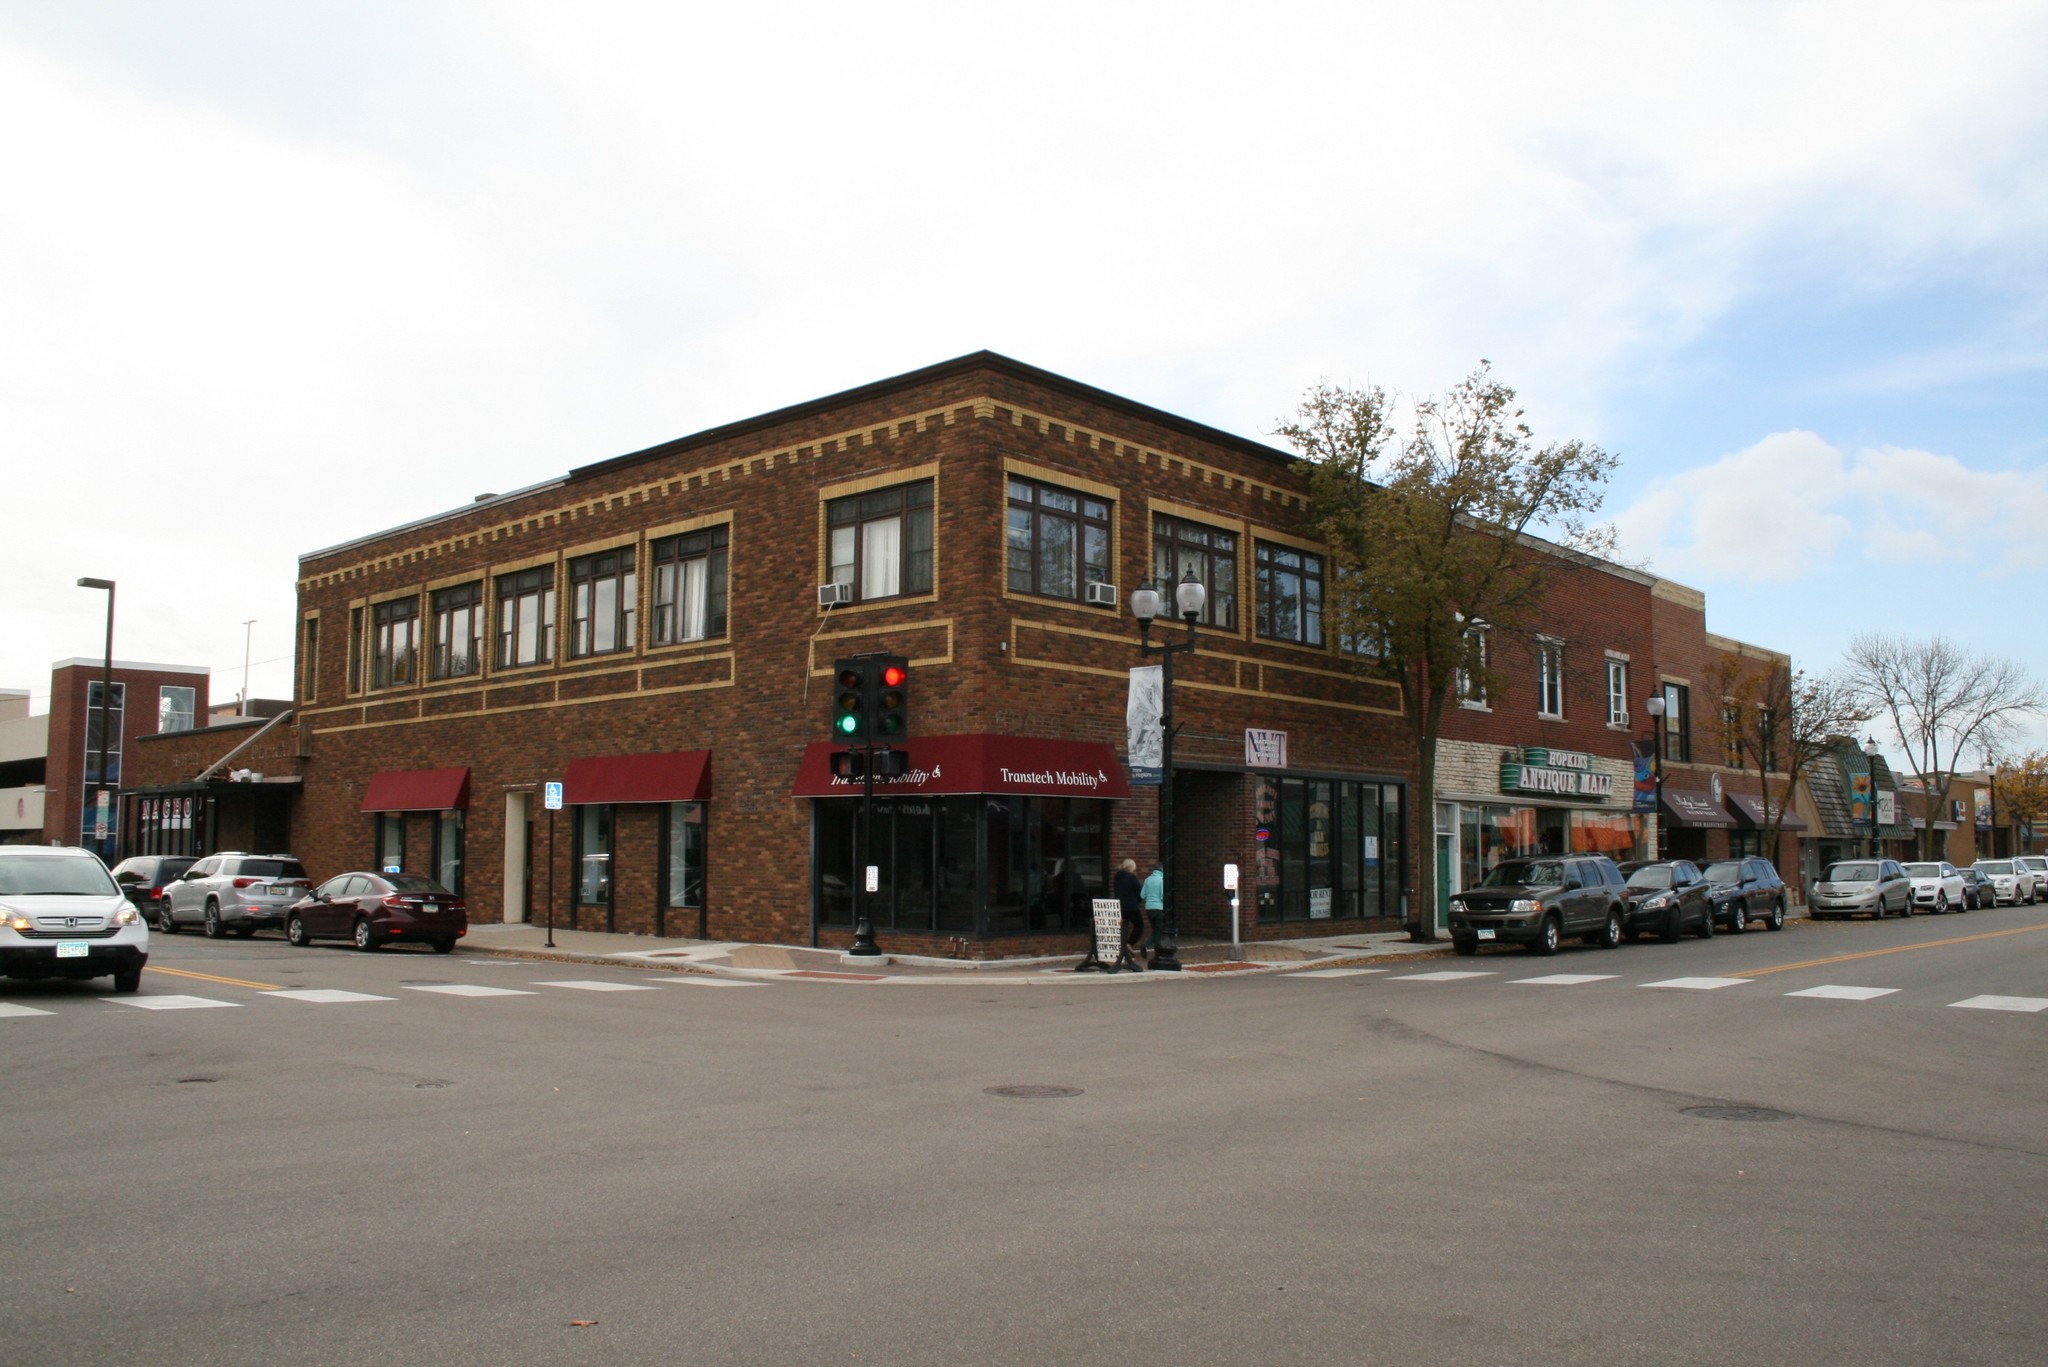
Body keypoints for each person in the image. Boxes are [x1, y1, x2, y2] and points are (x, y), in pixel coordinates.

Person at [1114, 858, 1146, 968]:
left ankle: (1123, 950)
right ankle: (1129, 944)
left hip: (1120, 906)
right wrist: (1138, 901)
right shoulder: (1132, 878)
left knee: (1124, 928)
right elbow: (1140, 892)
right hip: (1132, 906)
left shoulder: (1117, 877)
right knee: (1139, 926)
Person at [1140, 862, 1165, 959]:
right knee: (1158, 930)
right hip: (1159, 908)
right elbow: (1163, 896)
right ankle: (1152, 948)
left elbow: (1142, 895)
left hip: (1149, 908)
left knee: (1155, 930)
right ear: (1161, 870)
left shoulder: (1147, 880)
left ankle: (1152, 948)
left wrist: (1149, 900)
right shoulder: (1162, 880)